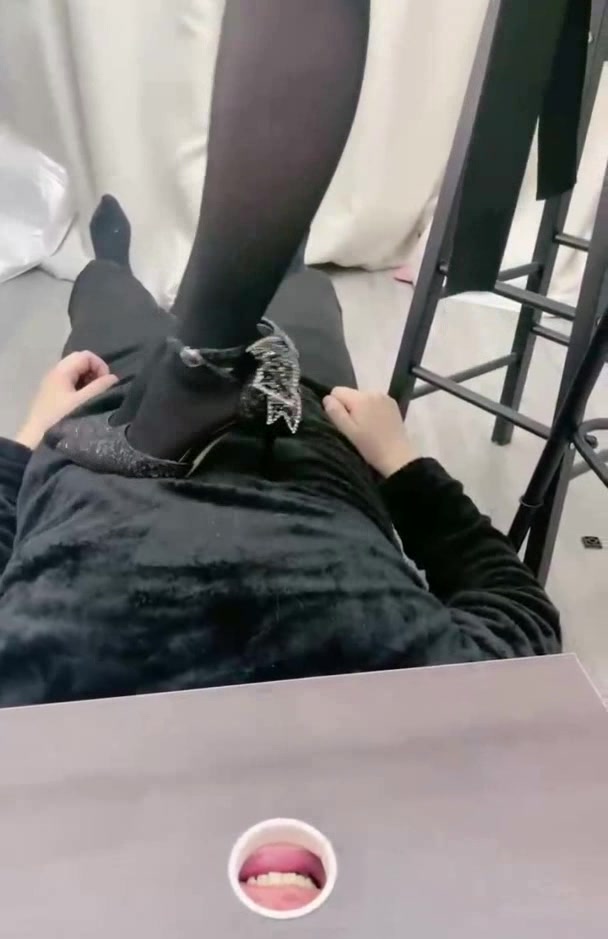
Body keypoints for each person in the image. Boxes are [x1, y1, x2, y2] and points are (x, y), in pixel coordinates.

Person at [0, 0, 561, 707]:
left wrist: (25, 441)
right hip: (293, 428)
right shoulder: (415, 705)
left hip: (109, 418)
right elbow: (520, 622)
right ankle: (245, 292)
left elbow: (521, 631)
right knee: (305, 291)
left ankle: (149, 289)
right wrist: (402, 464)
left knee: (100, 287)